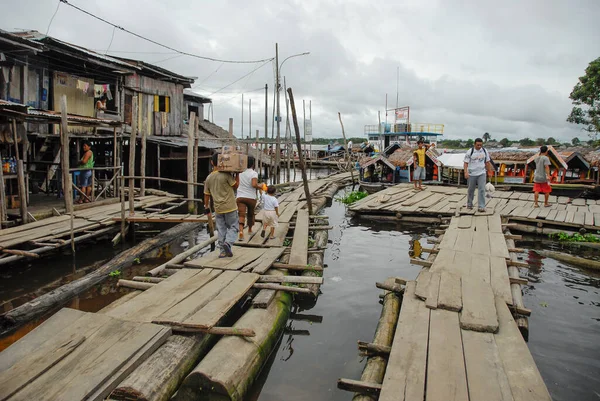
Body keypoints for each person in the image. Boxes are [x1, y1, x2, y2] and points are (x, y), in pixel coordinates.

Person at [204, 153, 240, 258]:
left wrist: (206, 206)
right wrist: (237, 174)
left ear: (212, 162)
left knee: (221, 229)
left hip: (218, 208)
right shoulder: (226, 175)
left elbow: (206, 195)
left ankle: (222, 252)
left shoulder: (209, 178)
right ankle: (228, 243)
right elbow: (236, 186)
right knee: (234, 226)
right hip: (230, 207)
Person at [463, 138, 493, 212]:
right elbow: (465, 163)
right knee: (471, 189)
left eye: (480, 145)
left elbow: (487, 162)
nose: (479, 146)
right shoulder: (470, 151)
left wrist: (489, 171)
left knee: (482, 189)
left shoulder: (484, 151)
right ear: (474, 144)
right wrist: (465, 172)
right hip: (472, 173)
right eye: (478, 145)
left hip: (482, 173)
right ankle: (469, 204)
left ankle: (481, 206)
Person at [236, 156, 262, 240]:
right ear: (253, 164)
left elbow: (236, 184)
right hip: (250, 197)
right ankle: (250, 230)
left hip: (240, 197)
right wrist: (260, 186)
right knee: (250, 214)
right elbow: (254, 184)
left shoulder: (240, 173)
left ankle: (241, 232)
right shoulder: (253, 173)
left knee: (241, 214)